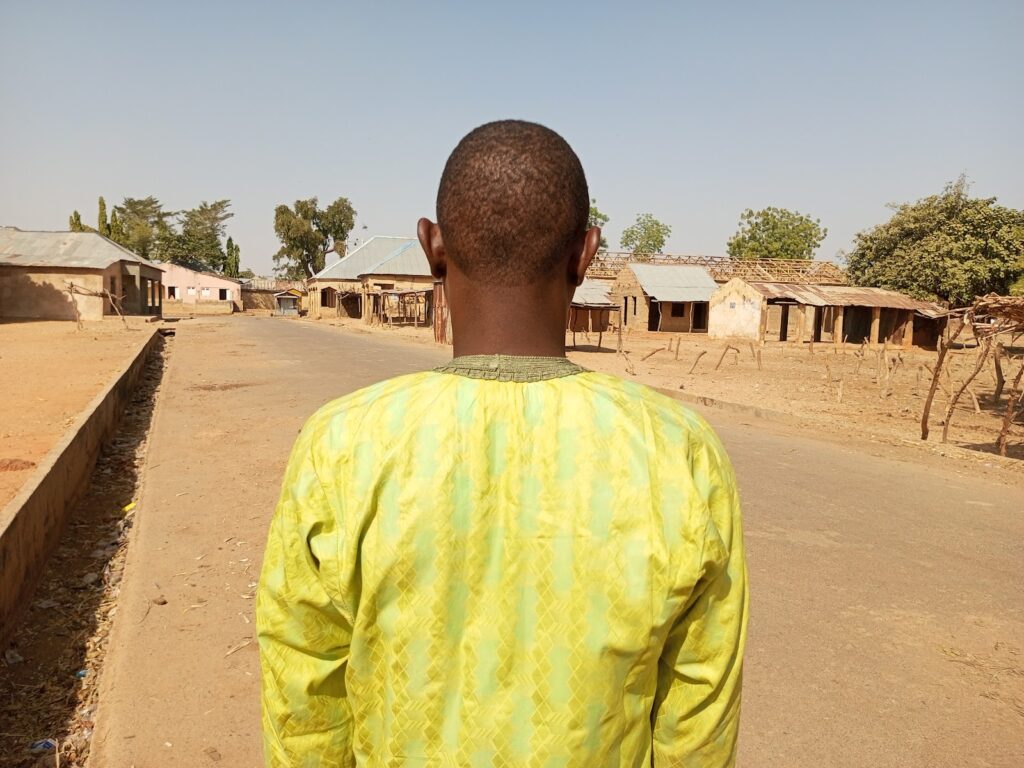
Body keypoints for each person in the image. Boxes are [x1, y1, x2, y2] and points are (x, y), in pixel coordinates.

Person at [257, 120, 748, 767]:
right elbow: (697, 726)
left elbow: (304, 700)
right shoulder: (680, 455)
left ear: (432, 247)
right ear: (586, 254)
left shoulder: (342, 446)